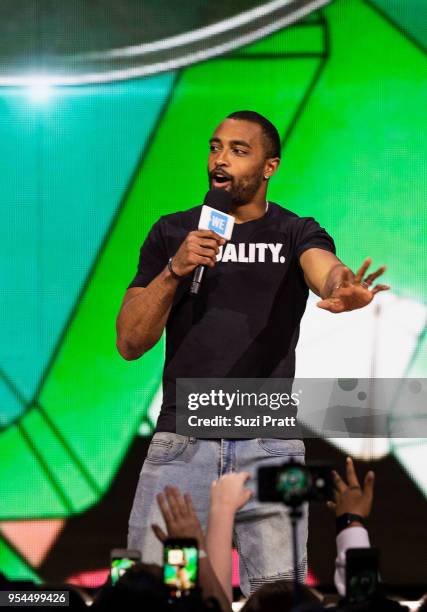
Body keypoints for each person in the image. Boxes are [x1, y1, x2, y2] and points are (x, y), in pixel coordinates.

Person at [116, 110, 389, 597]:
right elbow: (130, 342)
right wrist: (175, 270)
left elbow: (324, 269)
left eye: (239, 151)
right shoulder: (172, 233)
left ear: (270, 167)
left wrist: (342, 285)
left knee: (278, 597)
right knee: (165, 593)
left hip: (269, 447)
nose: (220, 160)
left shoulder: (294, 231)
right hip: (184, 440)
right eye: (215, 147)